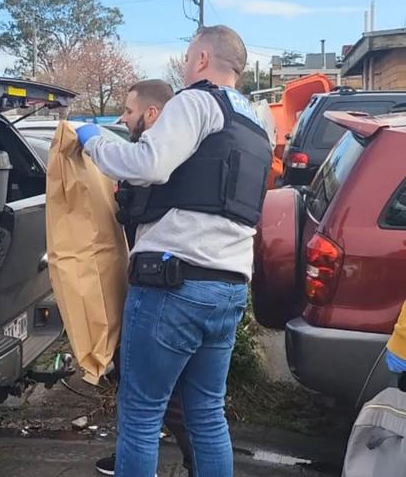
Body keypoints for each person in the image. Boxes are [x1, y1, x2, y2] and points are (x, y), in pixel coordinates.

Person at [75, 25, 272, 477]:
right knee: (206, 414)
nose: (184, 68)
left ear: (202, 59)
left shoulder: (197, 101)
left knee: (142, 414)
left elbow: (149, 164)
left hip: (173, 284)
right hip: (228, 289)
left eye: (187, 58)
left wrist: (93, 140)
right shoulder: (258, 124)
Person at [94, 79, 194, 477]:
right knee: (167, 392)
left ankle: (152, 463)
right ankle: (137, 459)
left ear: (152, 114)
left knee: (153, 394)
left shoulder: (158, 161)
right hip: (170, 285)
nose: (123, 117)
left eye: (129, 110)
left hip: (164, 291)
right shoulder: (174, 151)